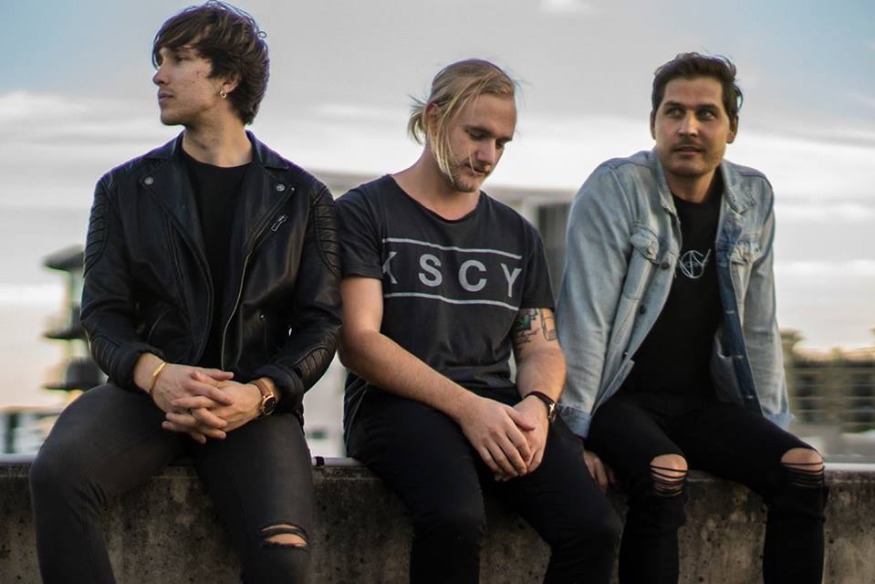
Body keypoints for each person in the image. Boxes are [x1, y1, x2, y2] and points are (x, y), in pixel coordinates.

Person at [29, 2, 341, 582]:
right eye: (160, 60)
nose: (158, 76)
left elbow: (322, 324)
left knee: (283, 552)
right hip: (144, 395)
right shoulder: (122, 188)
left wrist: (261, 393)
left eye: (177, 60)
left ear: (228, 78)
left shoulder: (303, 197)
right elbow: (102, 314)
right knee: (57, 473)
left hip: (254, 404)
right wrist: (157, 376)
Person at [336, 58, 620, 584]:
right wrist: (469, 409)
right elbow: (358, 340)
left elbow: (540, 347)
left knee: (594, 527)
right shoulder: (364, 211)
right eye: (477, 135)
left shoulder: (516, 233)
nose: (488, 156)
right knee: (456, 517)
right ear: (434, 117)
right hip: (395, 406)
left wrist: (538, 407)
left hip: (499, 406)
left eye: (502, 142)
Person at [556, 52, 827, 583]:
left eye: (706, 114)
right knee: (665, 475)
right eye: (674, 112)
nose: (689, 128)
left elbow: (759, 325)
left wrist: (767, 430)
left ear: (732, 128)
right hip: (618, 399)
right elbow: (585, 318)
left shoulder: (753, 197)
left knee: (804, 470)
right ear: (653, 122)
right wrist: (573, 438)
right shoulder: (617, 188)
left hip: (704, 405)